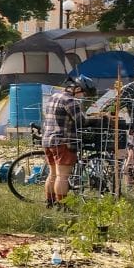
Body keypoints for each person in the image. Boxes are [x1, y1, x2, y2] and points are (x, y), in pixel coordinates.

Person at [42, 77, 92, 208]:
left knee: (52, 174)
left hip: (48, 140)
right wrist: (99, 119)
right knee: (62, 176)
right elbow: (81, 121)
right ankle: (62, 205)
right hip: (63, 142)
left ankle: (50, 202)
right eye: (84, 93)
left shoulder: (54, 96)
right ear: (78, 89)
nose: (83, 97)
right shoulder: (71, 100)